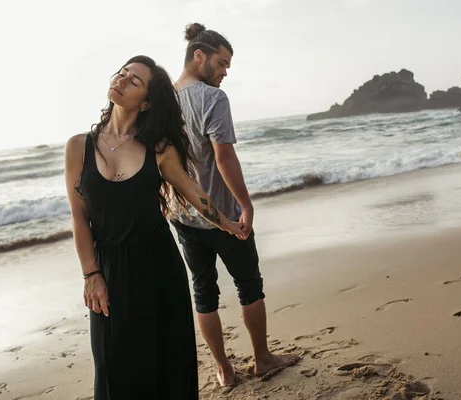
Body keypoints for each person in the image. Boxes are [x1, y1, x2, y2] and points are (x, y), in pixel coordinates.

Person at [64, 55, 244, 400]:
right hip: (110, 271)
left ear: (145, 102)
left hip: (159, 267)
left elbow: (195, 195)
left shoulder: (158, 149)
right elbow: (79, 216)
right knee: (112, 364)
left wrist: (227, 224)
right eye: (122, 73)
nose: (121, 79)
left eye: (134, 81)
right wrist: (91, 275)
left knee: (166, 364)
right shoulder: (78, 147)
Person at [172, 23, 299, 387]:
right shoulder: (212, 99)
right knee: (249, 285)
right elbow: (224, 159)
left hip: (183, 216)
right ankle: (262, 359)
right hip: (224, 215)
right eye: (222, 63)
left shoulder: (163, 99)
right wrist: (246, 206)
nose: (226, 71)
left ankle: (225, 372)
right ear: (200, 56)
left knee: (202, 291)